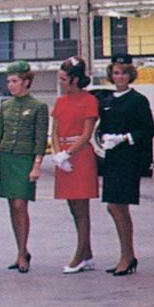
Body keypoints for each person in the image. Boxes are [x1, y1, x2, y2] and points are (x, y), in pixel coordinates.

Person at [96, 54, 154, 276]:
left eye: (124, 72)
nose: (120, 76)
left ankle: (127, 255)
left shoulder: (138, 100)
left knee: (118, 206)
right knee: (114, 206)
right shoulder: (108, 100)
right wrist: (104, 138)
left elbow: (148, 130)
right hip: (112, 158)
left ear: (131, 75)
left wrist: (125, 137)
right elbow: (103, 126)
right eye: (116, 72)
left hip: (128, 158)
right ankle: (127, 254)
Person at [0, 61, 48, 274]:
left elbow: (40, 139)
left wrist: (36, 165)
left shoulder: (38, 107)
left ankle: (22, 252)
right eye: (9, 81)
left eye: (14, 81)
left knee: (20, 205)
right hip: (7, 158)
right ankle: (20, 251)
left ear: (26, 82)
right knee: (12, 206)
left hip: (25, 160)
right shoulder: (5, 106)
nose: (11, 85)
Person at [51, 56, 99, 274]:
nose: (61, 82)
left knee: (82, 209)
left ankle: (79, 256)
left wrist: (68, 153)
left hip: (80, 156)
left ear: (75, 79)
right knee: (73, 207)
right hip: (63, 156)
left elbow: (87, 133)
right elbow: (55, 130)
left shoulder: (88, 100)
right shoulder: (60, 102)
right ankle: (87, 253)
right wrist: (57, 154)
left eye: (64, 79)